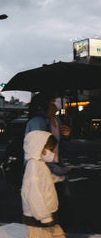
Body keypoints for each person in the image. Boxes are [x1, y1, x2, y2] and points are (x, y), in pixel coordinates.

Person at [20, 130, 68, 238]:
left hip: (46, 216)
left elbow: (45, 182)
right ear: (38, 147)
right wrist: (44, 216)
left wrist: (60, 176)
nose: (52, 152)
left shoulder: (40, 165)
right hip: (38, 217)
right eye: (49, 149)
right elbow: (33, 193)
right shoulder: (33, 166)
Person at [24, 92, 72, 225]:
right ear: (47, 103)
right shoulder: (37, 122)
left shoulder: (57, 121)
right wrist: (61, 170)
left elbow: (62, 148)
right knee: (46, 206)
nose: (57, 102)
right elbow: (38, 152)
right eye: (54, 99)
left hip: (56, 169)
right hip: (44, 171)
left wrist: (67, 136)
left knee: (60, 207)